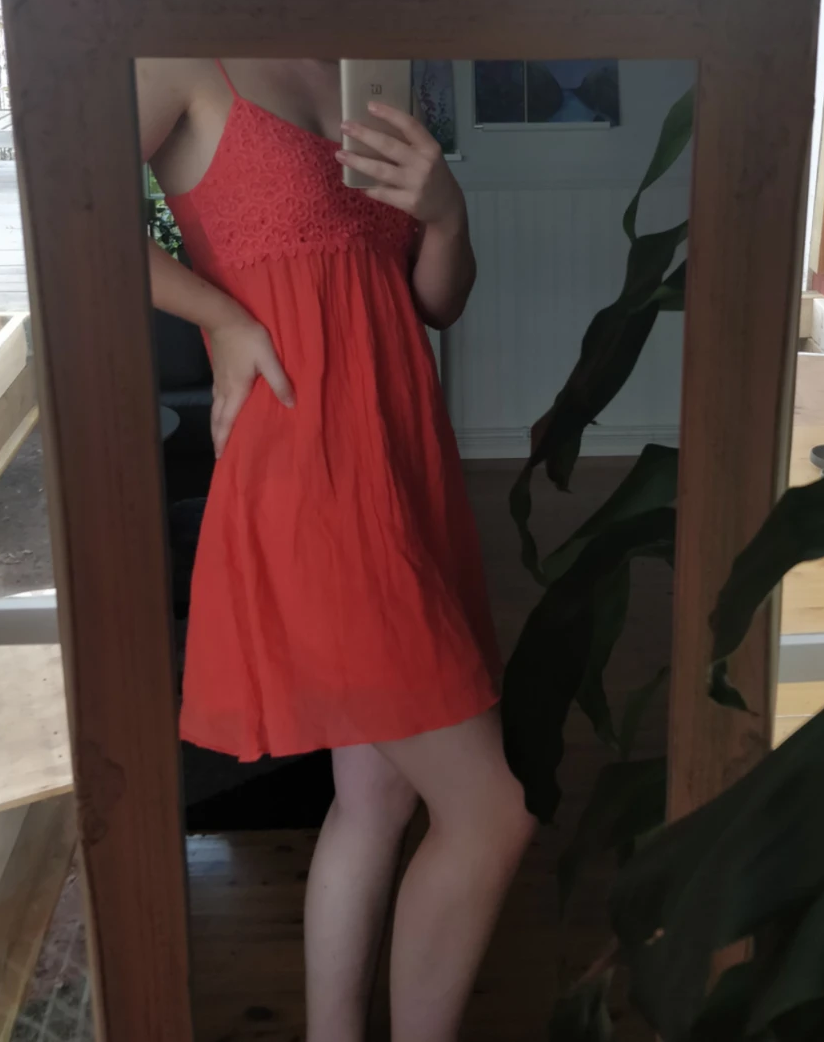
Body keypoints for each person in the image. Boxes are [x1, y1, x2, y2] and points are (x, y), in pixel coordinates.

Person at [137, 58, 535, 1042]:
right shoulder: (181, 54)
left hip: (399, 464)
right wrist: (222, 318)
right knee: (493, 811)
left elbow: (436, 301)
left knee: (377, 793)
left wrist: (447, 216)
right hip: (303, 471)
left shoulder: (370, 64)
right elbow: (69, 218)